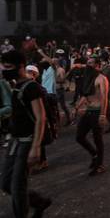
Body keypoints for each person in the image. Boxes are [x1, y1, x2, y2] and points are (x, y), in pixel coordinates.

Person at [1, 50, 52, 217]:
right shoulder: (16, 86)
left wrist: (36, 147)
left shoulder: (31, 87)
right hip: (15, 141)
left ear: (20, 66)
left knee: (17, 187)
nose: (5, 70)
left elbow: (41, 118)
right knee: (6, 183)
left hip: (27, 142)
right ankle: (38, 202)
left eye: (8, 67)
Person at [74, 56, 109, 176]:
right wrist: (78, 106)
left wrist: (103, 114)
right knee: (79, 136)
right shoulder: (89, 78)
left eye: (91, 63)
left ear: (97, 65)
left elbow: (104, 97)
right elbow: (85, 94)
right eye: (87, 63)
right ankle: (94, 154)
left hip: (97, 111)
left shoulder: (101, 79)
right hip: (89, 110)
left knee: (97, 139)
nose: (88, 65)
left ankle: (100, 164)